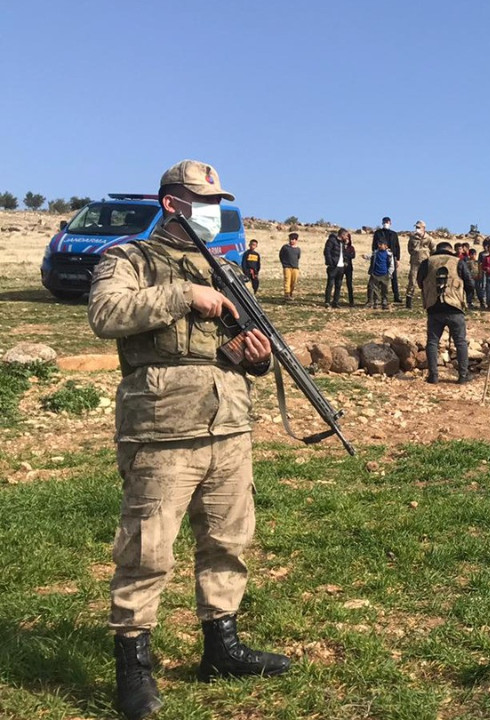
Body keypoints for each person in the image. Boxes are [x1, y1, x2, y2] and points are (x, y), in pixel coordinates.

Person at [87, 160, 290, 720]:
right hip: (161, 428)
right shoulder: (130, 258)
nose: (211, 209)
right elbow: (105, 313)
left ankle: (220, 648)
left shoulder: (227, 269)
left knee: (228, 539)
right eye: (201, 199)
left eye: (217, 199)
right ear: (170, 202)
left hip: (229, 425)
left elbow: (251, 342)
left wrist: (257, 356)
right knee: (147, 549)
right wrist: (183, 295)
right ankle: (134, 669)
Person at [417, 241, 470, 383]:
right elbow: (470, 283)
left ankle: (433, 376)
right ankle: (463, 376)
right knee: (460, 342)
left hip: (434, 307)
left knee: (432, 342)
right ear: (450, 250)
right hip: (454, 307)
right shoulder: (458, 262)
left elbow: (419, 281)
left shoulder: (427, 262)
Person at [372, 216, 402, 304]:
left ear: (390, 223)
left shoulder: (394, 234)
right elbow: (374, 245)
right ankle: (379, 298)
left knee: (394, 277)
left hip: (391, 257)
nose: (386, 223)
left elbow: (397, 247)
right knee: (379, 278)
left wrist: (398, 259)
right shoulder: (378, 233)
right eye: (384, 222)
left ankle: (396, 296)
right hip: (380, 257)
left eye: (387, 222)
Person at [405, 220, 432, 309]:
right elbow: (409, 249)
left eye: (419, 227)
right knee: (412, 281)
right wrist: (414, 253)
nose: (417, 229)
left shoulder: (428, 238)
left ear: (424, 228)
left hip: (425, 262)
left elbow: (433, 249)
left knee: (425, 282)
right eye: (416, 227)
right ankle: (408, 301)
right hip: (414, 262)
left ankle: (427, 302)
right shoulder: (412, 238)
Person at [323, 228, 348, 309]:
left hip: (341, 267)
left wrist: (345, 262)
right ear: (342, 235)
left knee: (338, 284)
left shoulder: (343, 243)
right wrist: (330, 263)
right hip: (333, 266)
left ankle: (335, 302)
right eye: (346, 235)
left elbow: (344, 254)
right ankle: (327, 302)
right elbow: (327, 252)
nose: (347, 237)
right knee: (330, 284)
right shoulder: (331, 241)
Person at [368, 237, 395, 310]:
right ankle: (376, 302)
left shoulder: (389, 254)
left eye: (381, 244)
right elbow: (370, 257)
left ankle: (384, 302)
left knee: (385, 290)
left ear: (386, 246)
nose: (379, 246)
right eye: (378, 244)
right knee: (375, 289)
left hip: (385, 274)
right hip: (375, 274)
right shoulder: (375, 253)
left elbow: (392, 265)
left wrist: (389, 274)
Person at [279, 232, 301, 300]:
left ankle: (291, 293)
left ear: (296, 240)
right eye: (290, 239)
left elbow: (298, 257)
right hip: (287, 267)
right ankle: (287, 294)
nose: (292, 240)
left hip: (295, 267)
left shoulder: (298, 249)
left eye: (293, 239)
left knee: (294, 281)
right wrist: (284, 264)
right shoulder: (285, 247)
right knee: (287, 280)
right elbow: (281, 255)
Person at [341, 231, 356, 306]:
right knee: (338, 283)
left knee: (349, 284)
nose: (347, 240)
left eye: (348, 238)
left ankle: (351, 301)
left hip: (349, 267)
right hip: (341, 267)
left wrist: (346, 255)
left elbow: (353, 256)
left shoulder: (351, 248)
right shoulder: (340, 246)